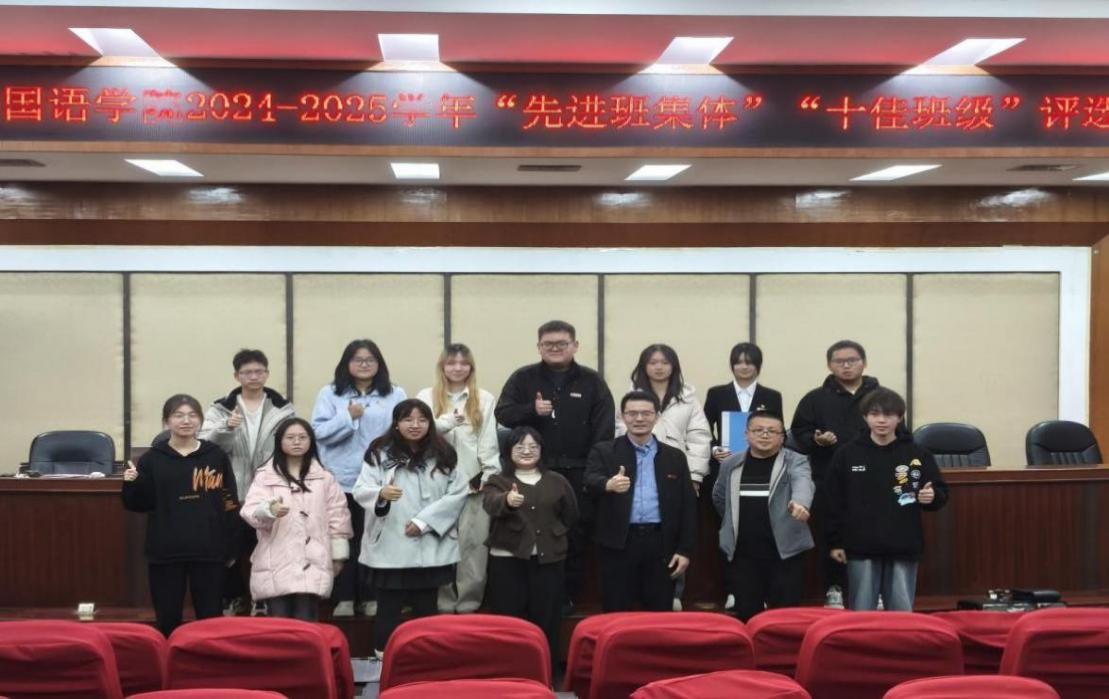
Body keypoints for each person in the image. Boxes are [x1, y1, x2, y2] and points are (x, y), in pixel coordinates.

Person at [495, 320, 614, 610]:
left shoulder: (592, 381)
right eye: (548, 344)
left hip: (579, 473)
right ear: (539, 347)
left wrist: (594, 470)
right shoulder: (523, 378)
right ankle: (527, 598)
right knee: (528, 530)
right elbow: (503, 414)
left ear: (575, 346)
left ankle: (566, 596)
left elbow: (604, 430)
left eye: (562, 343)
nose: (555, 348)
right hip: (532, 473)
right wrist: (531, 410)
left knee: (574, 533)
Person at [352, 399, 468, 657]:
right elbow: (361, 489)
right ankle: (384, 662)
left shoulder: (443, 453)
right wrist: (381, 493)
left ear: (430, 423)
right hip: (391, 544)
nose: (415, 425)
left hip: (430, 544)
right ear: (396, 423)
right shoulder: (379, 452)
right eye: (407, 419)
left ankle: (427, 660)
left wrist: (424, 522)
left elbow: (458, 492)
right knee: (388, 609)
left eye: (422, 420)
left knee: (427, 608)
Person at [122, 394, 240, 636]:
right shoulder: (152, 459)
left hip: (209, 550)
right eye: (178, 415)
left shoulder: (215, 455)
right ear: (166, 421)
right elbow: (138, 504)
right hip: (166, 551)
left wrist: (231, 546)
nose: (186, 421)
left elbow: (229, 501)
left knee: (211, 620)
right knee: (167, 619)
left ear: (201, 420)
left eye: (192, 415)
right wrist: (132, 483)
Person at [825, 388, 948, 612]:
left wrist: (932, 496)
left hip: (903, 545)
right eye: (874, 414)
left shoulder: (918, 454)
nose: (881, 420)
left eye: (889, 414)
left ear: (899, 418)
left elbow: (939, 492)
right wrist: (835, 542)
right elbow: (833, 501)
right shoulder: (847, 454)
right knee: (861, 615)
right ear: (865, 417)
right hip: (860, 546)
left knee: (901, 614)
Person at [311, 339, 407, 617]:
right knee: (344, 538)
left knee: (375, 538)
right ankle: (344, 597)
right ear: (346, 363)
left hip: (379, 480)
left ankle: (371, 596)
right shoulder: (330, 393)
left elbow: (403, 432)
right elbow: (318, 433)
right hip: (341, 478)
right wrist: (347, 416)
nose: (364, 364)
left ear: (379, 364)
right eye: (357, 359)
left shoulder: (395, 393)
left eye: (370, 360)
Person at [200, 348, 295, 616]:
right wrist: (226, 428)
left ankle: (260, 599)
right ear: (237, 376)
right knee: (229, 549)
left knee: (265, 548)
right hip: (230, 489)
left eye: (258, 371)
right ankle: (232, 598)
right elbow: (205, 445)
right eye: (247, 372)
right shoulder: (220, 408)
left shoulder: (283, 408)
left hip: (269, 489)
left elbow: (292, 442)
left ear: (267, 373)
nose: (253, 376)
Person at [584, 390, 697, 612]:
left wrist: (685, 550)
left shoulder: (674, 457)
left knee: (659, 613)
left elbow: (688, 507)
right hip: (618, 543)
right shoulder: (605, 451)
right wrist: (608, 484)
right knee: (616, 611)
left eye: (646, 413)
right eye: (632, 413)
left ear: (657, 416)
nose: (639, 419)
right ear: (622, 416)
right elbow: (589, 481)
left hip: (661, 544)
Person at [617, 343, 710, 611]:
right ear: (643, 366)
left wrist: (694, 476)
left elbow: (699, 437)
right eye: (653, 362)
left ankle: (674, 592)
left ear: (674, 366)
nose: (659, 367)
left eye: (665, 362)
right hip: (638, 472)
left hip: (675, 472)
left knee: (675, 531)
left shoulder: (688, 398)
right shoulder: (631, 397)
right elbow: (619, 432)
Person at [790, 339, 882, 608]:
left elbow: (899, 431)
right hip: (829, 477)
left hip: (873, 478)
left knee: (874, 533)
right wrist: (817, 440)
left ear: (864, 363)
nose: (846, 366)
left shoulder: (881, 397)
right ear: (829, 365)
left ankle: (875, 590)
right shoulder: (815, 399)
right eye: (839, 361)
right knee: (831, 535)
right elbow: (799, 432)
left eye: (852, 360)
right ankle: (834, 588)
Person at [416, 343, 500, 613]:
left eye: (464, 363)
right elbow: (418, 434)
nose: (457, 368)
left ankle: (468, 605)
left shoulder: (483, 398)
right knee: (437, 544)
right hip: (434, 483)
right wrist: (447, 422)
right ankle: (442, 605)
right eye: (451, 363)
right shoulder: (426, 396)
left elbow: (488, 442)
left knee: (473, 548)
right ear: (442, 366)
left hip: (473, 484)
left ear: (471, 368)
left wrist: (488, 476)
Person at [241, 418, 352, 621]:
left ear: (311, 441)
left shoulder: (325, 477)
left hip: (313, 559)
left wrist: (338, 555)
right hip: (275, 560)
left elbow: (338, 516)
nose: (297, 442)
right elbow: (250, 511)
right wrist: (269, 510)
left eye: (302, 437)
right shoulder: (265, 476)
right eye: (290, 437)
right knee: (279, 623)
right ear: (279, 441)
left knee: (307, 622)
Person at [483, 427, 579, 662]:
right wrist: (507, 500)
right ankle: (510, 669)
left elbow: (571, 515)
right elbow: (490, 504)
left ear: (542, 450)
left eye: (533, 447)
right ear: (508, 451)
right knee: (509, 620)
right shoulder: (498, 480)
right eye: (520, 447)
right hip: (507, 561)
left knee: (547, 618)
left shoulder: (557, 480)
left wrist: (555, 533)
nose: (527, 451)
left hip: (548, 560)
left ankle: (545, 668)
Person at [712, 410, 814, 621]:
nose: (765, 435)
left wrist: (800, 503)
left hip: (785, 554)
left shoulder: (795, 461)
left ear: (782, 437)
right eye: (758, 430)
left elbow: (803, 482)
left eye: (772, 431)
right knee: (747, 616)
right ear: (746, 434)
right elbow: (720, 497)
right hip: (742, 554)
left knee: (784, 619)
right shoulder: (731, 464)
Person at [703, 341, 783, 610]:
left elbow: (778, 430)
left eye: (749, 362)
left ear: (758, 365)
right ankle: (732, 590)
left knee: (758, 528)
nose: (744, 367)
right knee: (729, 529)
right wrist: (715, 449)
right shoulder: (717, 393)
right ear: (732, 365)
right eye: (739, 361)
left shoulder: (771, 395)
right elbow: (704, 429)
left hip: (762, 469)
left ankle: (763, 591)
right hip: (728, 468)